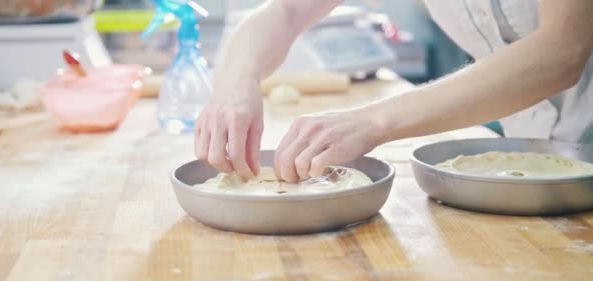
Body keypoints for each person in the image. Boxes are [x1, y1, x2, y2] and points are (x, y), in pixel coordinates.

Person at [195, 0, 593, 183]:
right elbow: (286, 11)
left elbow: (561, 51)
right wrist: (235, 82)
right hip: (541, 161)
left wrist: (370, 121)